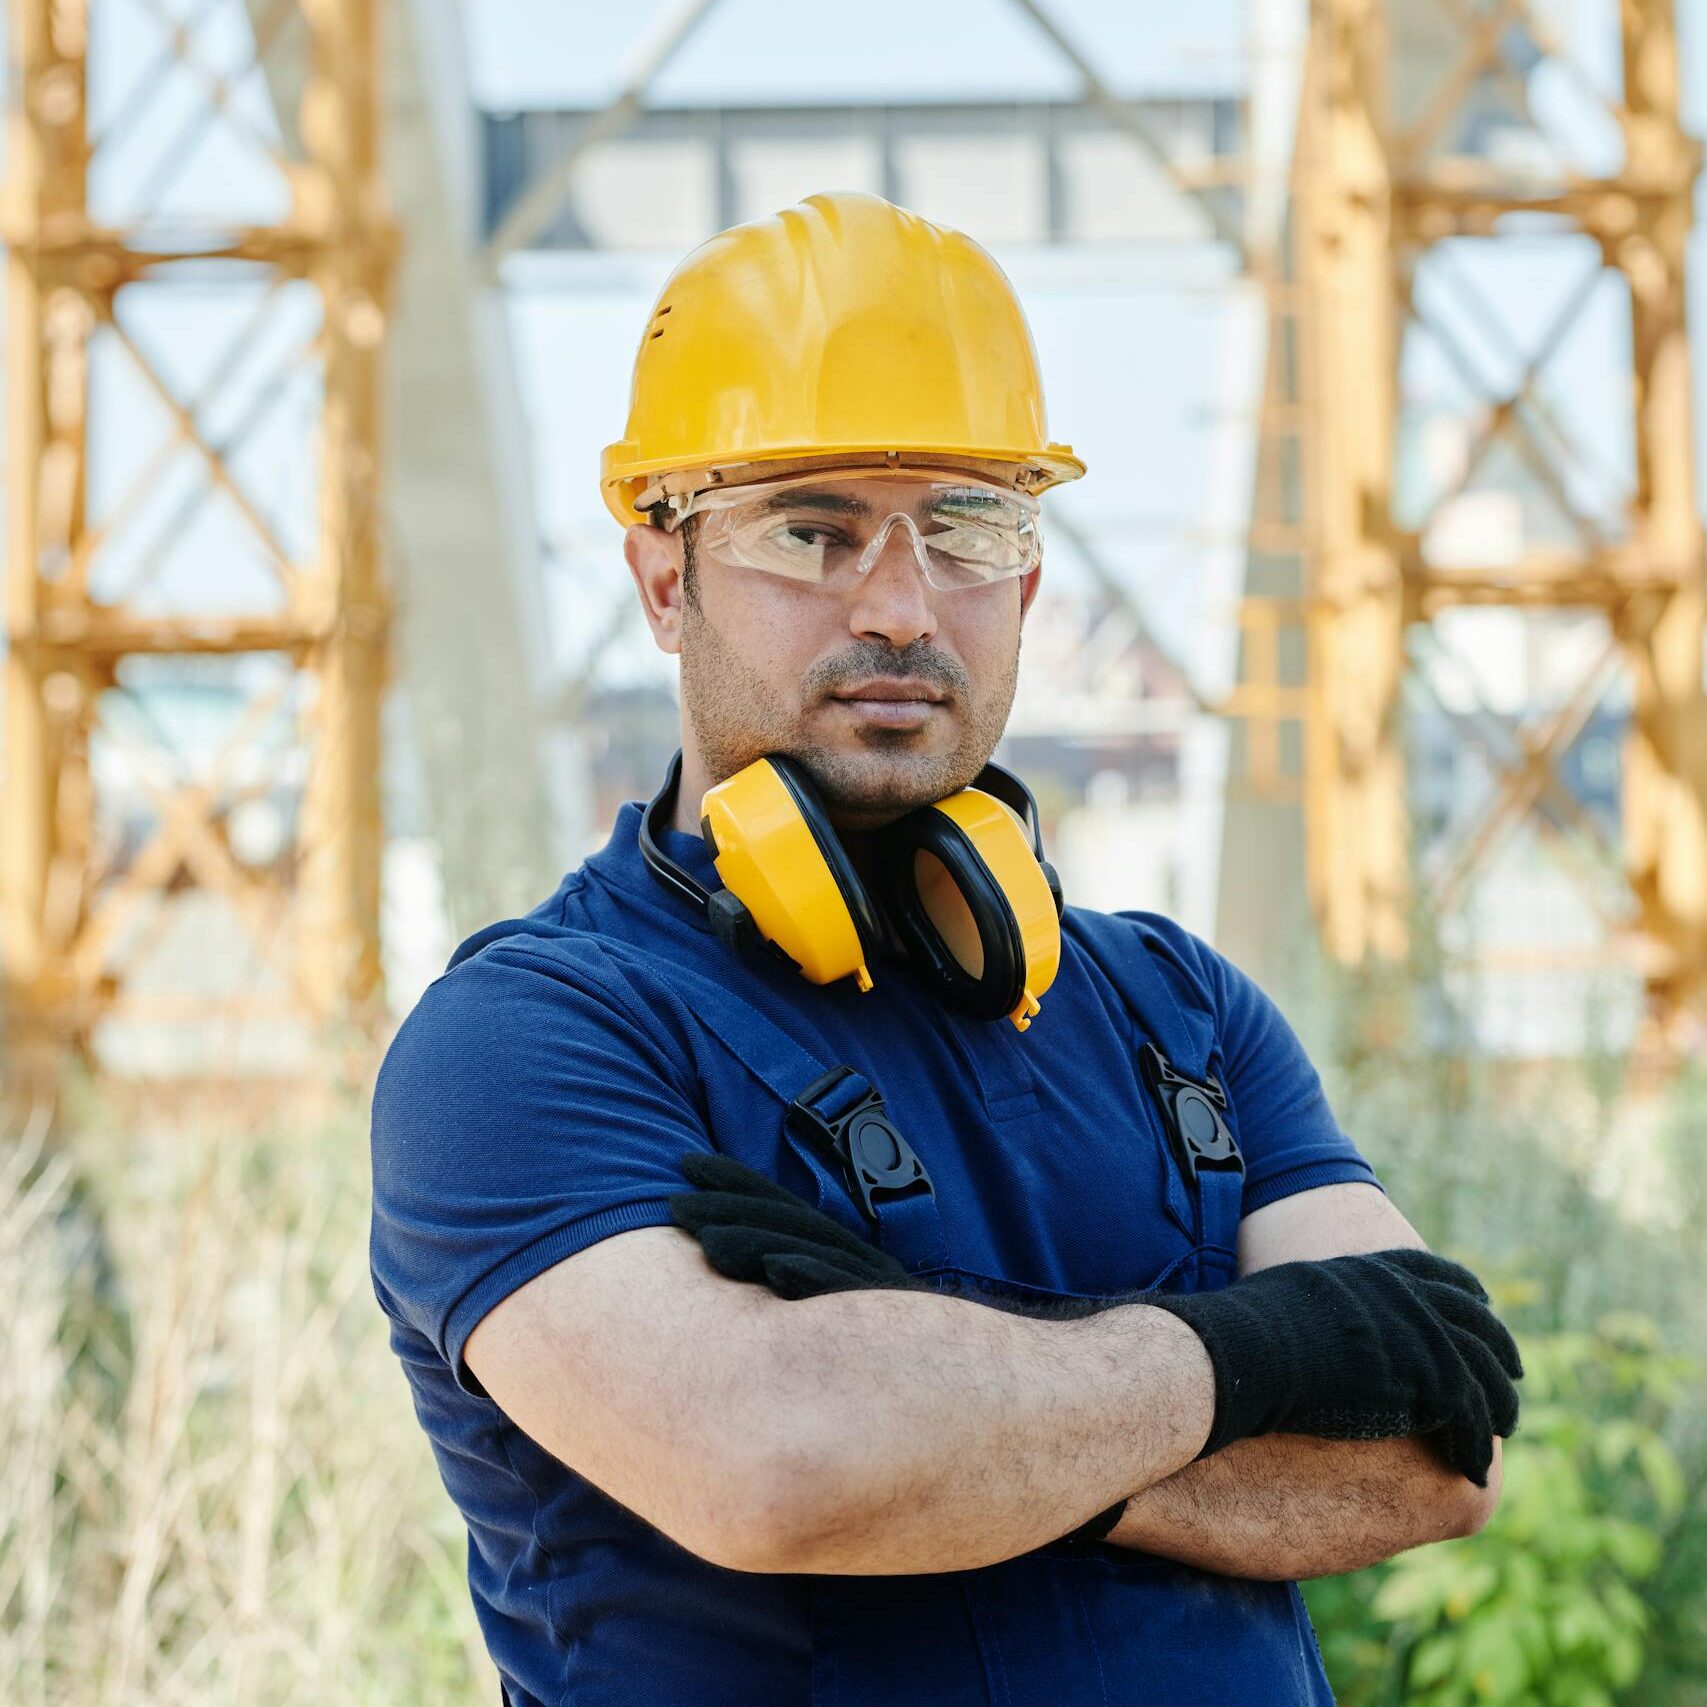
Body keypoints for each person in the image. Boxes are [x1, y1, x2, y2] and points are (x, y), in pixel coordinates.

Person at [369, 190, 1521, 1707]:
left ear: (1029, 583)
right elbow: (778, 1468)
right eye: (811, 529)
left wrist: (938, 1390)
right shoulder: (527, 1041)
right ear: (666, 580)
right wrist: (1269, 1355)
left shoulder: (1182, 1010)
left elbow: (1439, 1456)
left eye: (968, 527)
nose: (903, 607)